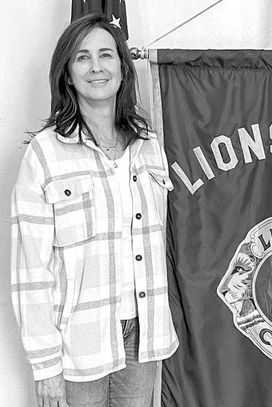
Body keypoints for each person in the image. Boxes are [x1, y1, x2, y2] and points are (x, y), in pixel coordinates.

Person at [11, 13, 178, 407]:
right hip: (77, 343)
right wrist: (44, 364)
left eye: (106, 55)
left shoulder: (148, 144)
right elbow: (30, 269)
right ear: (67, 74)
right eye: (83, 58)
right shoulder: (45, 153)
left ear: (122, 67)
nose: (97, 66)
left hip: (144, 335)